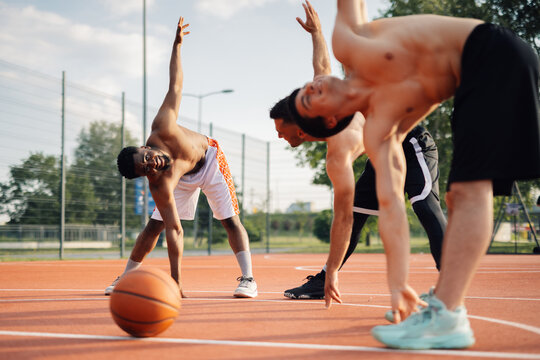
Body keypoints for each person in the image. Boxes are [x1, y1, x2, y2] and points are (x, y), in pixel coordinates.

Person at [282, 0, 540, 349]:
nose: (310, 88)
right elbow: (391, 209)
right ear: (330, 120)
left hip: (489, 50)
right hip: (482, 72)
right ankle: (446, 311)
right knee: (460, 193)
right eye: (309, 100)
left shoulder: (348, 44)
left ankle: (447, 315)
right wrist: (397, 283)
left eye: (305, 90)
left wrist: (315, 35)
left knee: (466, 192)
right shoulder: (380, 130)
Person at [272, 1, 445, 302]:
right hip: (378, 151)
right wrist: (316, 33)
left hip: (409, 138)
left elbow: (325, 67)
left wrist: (321, 32)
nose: (279, 136)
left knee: (423, 205)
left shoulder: (335, 146)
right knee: (357, 212)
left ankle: (450, 284)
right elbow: (321, 67)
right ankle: (324, 279)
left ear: (300, 128)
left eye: (281, 131)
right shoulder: (325, 113)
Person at [105, 17, 257, 299]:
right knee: (155, 225)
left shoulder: (163, 126)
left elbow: (175, 84)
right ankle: (126, 277)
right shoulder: (158, 182)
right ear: (145, 176)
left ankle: (248, 279)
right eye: (146, 169)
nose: (152, 164)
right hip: (182, 179)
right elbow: (175, 231)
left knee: (229, 220)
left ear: (145, 146)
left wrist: (176, 46)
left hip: (209, 160)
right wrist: (176, 281)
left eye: (147, 157)